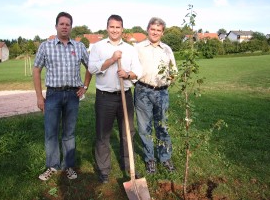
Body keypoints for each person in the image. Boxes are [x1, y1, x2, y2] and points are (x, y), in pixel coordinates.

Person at [33, 12, 92, 181]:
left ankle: (68, 166)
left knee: (69, 132)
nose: (65, 26)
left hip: (73, 95)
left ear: (71, 27)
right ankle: (52, 165)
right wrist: (39, 96)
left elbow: (90, 66)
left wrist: (85, 86)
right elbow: (36, 70)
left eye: (68, 24)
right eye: (62, 24)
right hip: (53, 95)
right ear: (56, 26)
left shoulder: (79, 47)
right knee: (51, 132)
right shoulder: (46, 46)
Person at [88, 14, 142, 183]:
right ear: (107, 28)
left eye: (118, 27)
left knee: (128, 132)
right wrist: (112, 59)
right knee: (103, 134)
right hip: (105, 97)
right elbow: (92, 68)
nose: (114, 30)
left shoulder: (130, 49)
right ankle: (104, 170)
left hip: (125, 95)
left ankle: (129, 166)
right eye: (112, 27)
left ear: (122, 29)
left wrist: (127, 74)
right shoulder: (97, 47)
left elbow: (138, 72)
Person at [134, 17, 178, 174]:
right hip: (142, 91)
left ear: (162, 33)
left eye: (159, 30)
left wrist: (167, 83)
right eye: (153, 29)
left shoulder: (167, 49)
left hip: (162, 92)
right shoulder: (138, 48)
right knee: (145, 128)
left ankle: (165, 158)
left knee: (162, 127)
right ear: (148, 29)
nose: (155, 32)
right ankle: (150, 159)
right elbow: (132, 68)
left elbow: (174, 71)